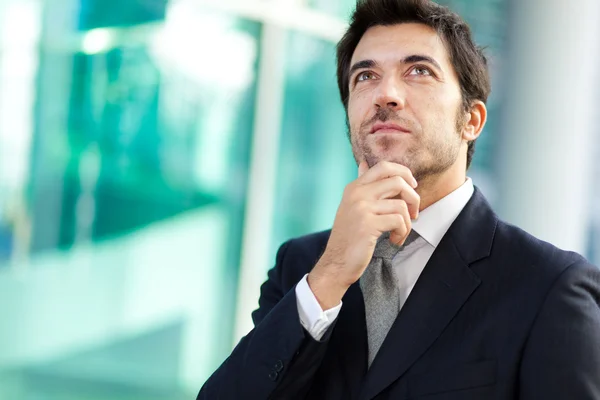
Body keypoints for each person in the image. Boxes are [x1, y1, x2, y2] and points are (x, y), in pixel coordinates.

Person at [198, 0, 600, 398]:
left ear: (471, 120)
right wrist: (331, 274)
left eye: (419, 71)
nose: (386, 94)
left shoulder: (548, 287)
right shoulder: (303, 267)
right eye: (365, 76)